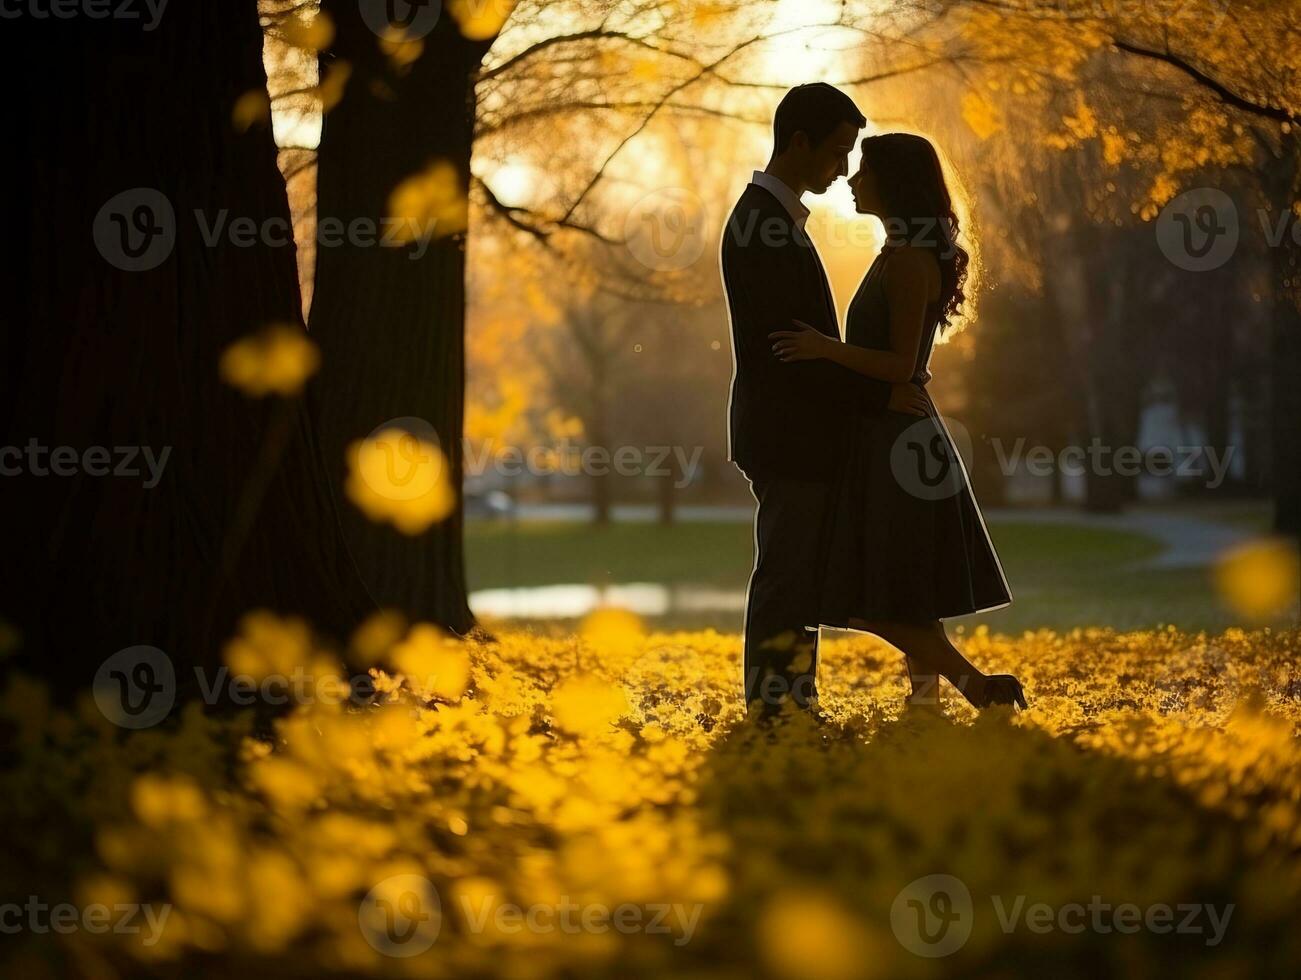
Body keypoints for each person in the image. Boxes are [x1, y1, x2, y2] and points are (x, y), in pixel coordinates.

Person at [769, 132, 1026, 711]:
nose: (853, 181)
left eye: (865, 171)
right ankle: (925, 704)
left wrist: (822, 348)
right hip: (885, 432)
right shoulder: (896, 254)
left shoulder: (909, 263)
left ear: (896, 184)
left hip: (898, 442)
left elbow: (900, 365)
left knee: (875, 599)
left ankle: (979, 688)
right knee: (908, 588)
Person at [721, 84, 929, 718]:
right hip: (789, 430)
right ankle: (776, 706)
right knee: (787, 572)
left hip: (795, 428)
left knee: (796, 571)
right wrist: (882, 387)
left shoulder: (775, 218)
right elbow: (792, 347)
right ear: (799, 141)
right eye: (839, 151)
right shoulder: (762, 223)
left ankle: (789, 701)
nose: (843, 169)